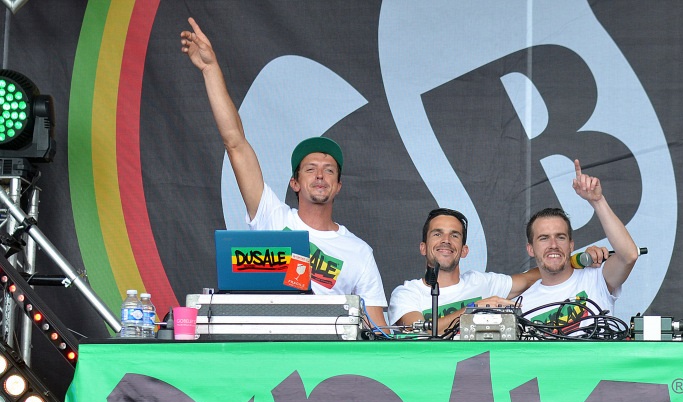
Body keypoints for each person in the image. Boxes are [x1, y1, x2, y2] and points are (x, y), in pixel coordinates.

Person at [180, 18, 388, 327]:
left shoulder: (359, 252)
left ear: (338, 186)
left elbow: (378, 330)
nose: (320, 175)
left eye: (329, 170)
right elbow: (235, 142)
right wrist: (210, 69)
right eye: (310, 169)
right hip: (269, 342)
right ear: (295, 183)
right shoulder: (273, 217)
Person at [390, 208, 557, 335]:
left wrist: (570, 259)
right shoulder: (407, 293)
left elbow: (530, 278)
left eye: (454, 235)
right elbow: (420, 333)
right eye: (437, 234)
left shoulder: (480, 282)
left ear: (464, 251)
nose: (446, 240)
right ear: (423, 248)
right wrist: (473, 309)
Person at [519, 159, 639, 325]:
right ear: (530, 249)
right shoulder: (522, 306)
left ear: (571, 245)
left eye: (560, 237)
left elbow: (629, 256)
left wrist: (597, 201)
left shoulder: (596, 278)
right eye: (544, 238)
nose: (553, 245)